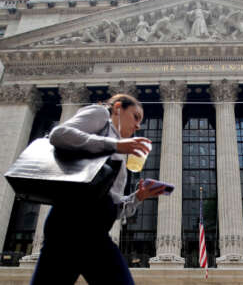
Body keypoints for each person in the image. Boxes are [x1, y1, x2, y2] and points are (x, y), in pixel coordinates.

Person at [30, 94, 165, 285]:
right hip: (70, 224)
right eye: (135, 116)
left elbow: (112, 204)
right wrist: (116, 145)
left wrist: (138, 197)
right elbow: (59, 134)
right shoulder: (100, 114)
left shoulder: (118, 152)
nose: (138, 126)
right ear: (118, 108)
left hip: (96, 232)